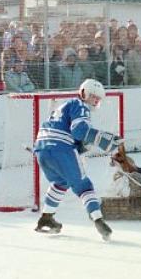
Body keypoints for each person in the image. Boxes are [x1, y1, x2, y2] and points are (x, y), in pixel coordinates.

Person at [32, 79, 122, 240]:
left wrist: (84, 145)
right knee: (84, 185)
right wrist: (104, 140)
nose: (96, 100)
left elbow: (73, 136)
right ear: (83, 93)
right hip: (61, 150)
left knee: (60, 183)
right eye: (93, 96)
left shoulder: (64, 106)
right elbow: (79, 131)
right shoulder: (80, 105)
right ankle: (98, 220)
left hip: (42, 150)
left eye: (98, 98)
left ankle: (46, 218)